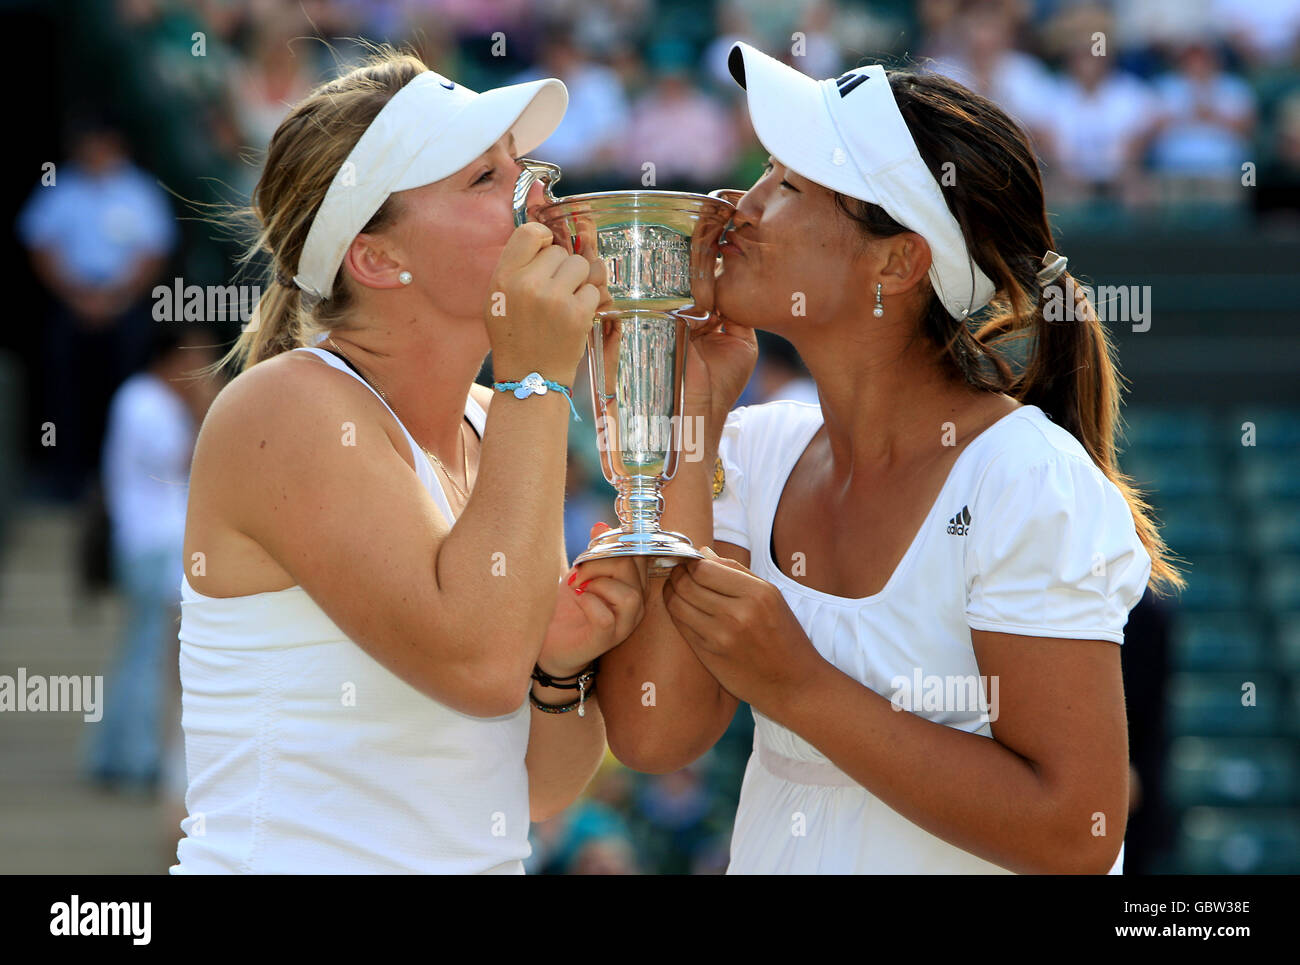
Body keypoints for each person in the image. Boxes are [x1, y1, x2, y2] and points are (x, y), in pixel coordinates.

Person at [600, 43, 1183, 874]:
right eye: (765, 171)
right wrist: (690, 411)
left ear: (897, 261)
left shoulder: (1024, 477)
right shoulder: (753, 448)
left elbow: (1078, 831)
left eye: (789, 185)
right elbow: (656, 733)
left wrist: (799, 684)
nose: (738, 204)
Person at [170, 47, 643, 874]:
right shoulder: (283, 408)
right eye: (482, 181)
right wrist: (535, 376)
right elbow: (484, 665)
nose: (536, 195)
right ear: (379, 259)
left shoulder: (501, 421)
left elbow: (535, 791)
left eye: (521, 167)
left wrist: (563, 671)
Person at [88, 323, 218, 791]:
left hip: (153, 543)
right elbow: (183, 462)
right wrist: (206, 408)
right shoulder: (145, 401)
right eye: (196, 357)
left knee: (140, 652)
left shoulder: (146, 399)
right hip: (149, 544)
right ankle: (136, 759)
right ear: (175, 357)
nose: (202, 369)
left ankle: (112, 754)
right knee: (146, 655)